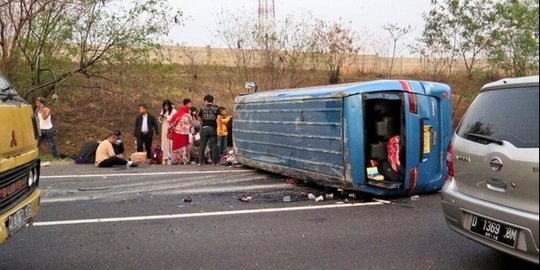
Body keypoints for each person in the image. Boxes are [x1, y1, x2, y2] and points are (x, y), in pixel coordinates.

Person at [198, 95, 219, 166]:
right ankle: (214, 162)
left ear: (206, 101)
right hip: (213, 128)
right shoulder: (216, 108)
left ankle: (200, 162)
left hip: (204, 128)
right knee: (213, 146)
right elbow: (218, 119)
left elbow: (200, 119)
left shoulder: (202, 109)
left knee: (202, 146)